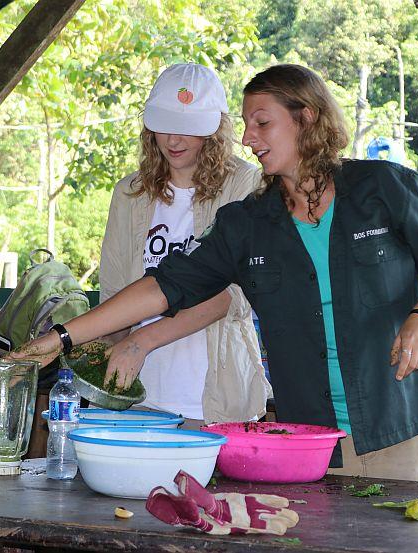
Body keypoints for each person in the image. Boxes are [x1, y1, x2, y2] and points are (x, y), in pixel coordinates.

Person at [14, 64, 418, 481]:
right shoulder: (248, 222)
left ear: (307, 118)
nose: (249, 138)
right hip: (311, 440)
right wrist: (58, 340)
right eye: (248, 124)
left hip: (402, 422)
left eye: (262, 123)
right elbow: (163, 286)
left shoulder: (385, 186)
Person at [95, 63, 270, 427]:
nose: (174, 141)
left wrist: (141, 341)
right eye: (165, 126)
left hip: (214, 402)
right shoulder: (129, 194)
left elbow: (235, 296)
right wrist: (84, 348)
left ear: (215, 129)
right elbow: (113, 295)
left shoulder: (247, 186)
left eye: (188, 129)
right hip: (137, 399)